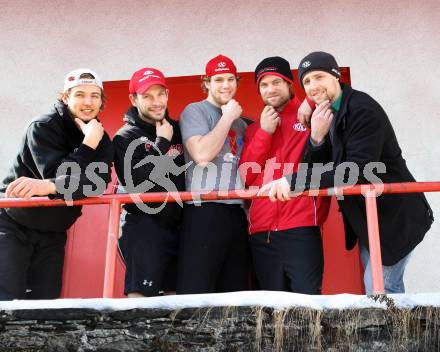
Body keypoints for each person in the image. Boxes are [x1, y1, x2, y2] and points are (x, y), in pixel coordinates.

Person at [259, 51, 434, 294]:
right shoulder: (327, 112)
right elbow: (316, 168)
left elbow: (356, 170)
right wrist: (317, 138)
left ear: (336, 76)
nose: (312, 86)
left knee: (381, 290)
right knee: (378, 289)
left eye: (319, 77)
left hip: (394, 216)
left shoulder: (362, 109)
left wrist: (293, 181)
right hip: (368, 219)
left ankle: (392, 333)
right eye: (307, 81)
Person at [0, 68, 113, 300]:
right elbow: (58, 173)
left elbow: (97, 184)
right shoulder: (43, 127)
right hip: (13, 224)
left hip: (53, 231)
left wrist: (50, 187)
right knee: (7, 300)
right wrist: (87, 145)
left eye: (94, 95)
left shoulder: (102, 137)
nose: (88, 102)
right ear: (65, 97)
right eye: (80, 94)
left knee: (46, 303)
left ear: (102, 101)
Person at [239, 56, 331, 294]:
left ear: (290, 83)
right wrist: (264, 133)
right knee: (270, 311)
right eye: (264, 84)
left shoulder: (311, 116)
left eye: (276, 82)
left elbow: (336, 93)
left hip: (300, 226)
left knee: (308, 305)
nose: (270, 89)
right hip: (262, 232)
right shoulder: (254, 128)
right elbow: (246, 176)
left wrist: (310, 101)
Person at [177, 54, 251, 294]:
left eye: (231, 79)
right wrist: (228, 116)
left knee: (236, 290)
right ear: (206, 82)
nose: (226, 85)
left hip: (237, 210)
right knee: (197, 287)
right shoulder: (195, 111)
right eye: (218, 79)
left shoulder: (242, 123)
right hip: (204, 208)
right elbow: (201, 154)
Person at [113, 67, 185, 297]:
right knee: (141, 301)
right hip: (145, 224)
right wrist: (162, 142)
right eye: (147, 96)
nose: (156, 102)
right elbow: (139, 184)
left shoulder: (179, 129)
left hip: (180, 225)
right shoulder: (125, 137)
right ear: (133, 99)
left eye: (160, 94)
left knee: (175, 303)